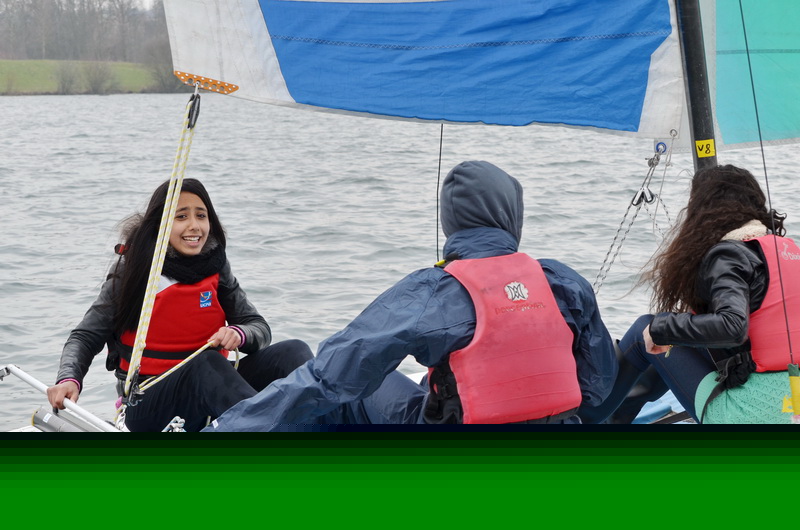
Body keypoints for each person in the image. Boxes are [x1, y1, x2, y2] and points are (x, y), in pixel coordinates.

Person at [203, 160, 618, 430]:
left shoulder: (432, 289)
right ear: (512, 214)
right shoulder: (564, 281)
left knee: (350, 387)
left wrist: (229, 426)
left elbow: (329, 377)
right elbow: (597, 386)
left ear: (451, 222)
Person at [47, 178, 313, 431]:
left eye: (201, 215)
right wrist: (69, 378)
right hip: (146, 403)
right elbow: (85, 336)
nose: (194, 226)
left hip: (211, 391)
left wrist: (239, 333)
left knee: (293, 351)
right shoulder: (134, 270)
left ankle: (319, 423)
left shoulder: (216, 267)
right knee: (205, 363)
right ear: (159, 224)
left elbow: (258, 327)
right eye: (181, 216)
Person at [578, 164, 800, 424]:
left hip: (752, 414)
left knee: (645, 331)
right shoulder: (785, 251)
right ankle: (614, 420)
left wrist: (660, 328)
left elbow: (732, 327)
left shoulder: (729, 254)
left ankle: (582, 422)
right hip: (793, 404)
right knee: (672, 338)